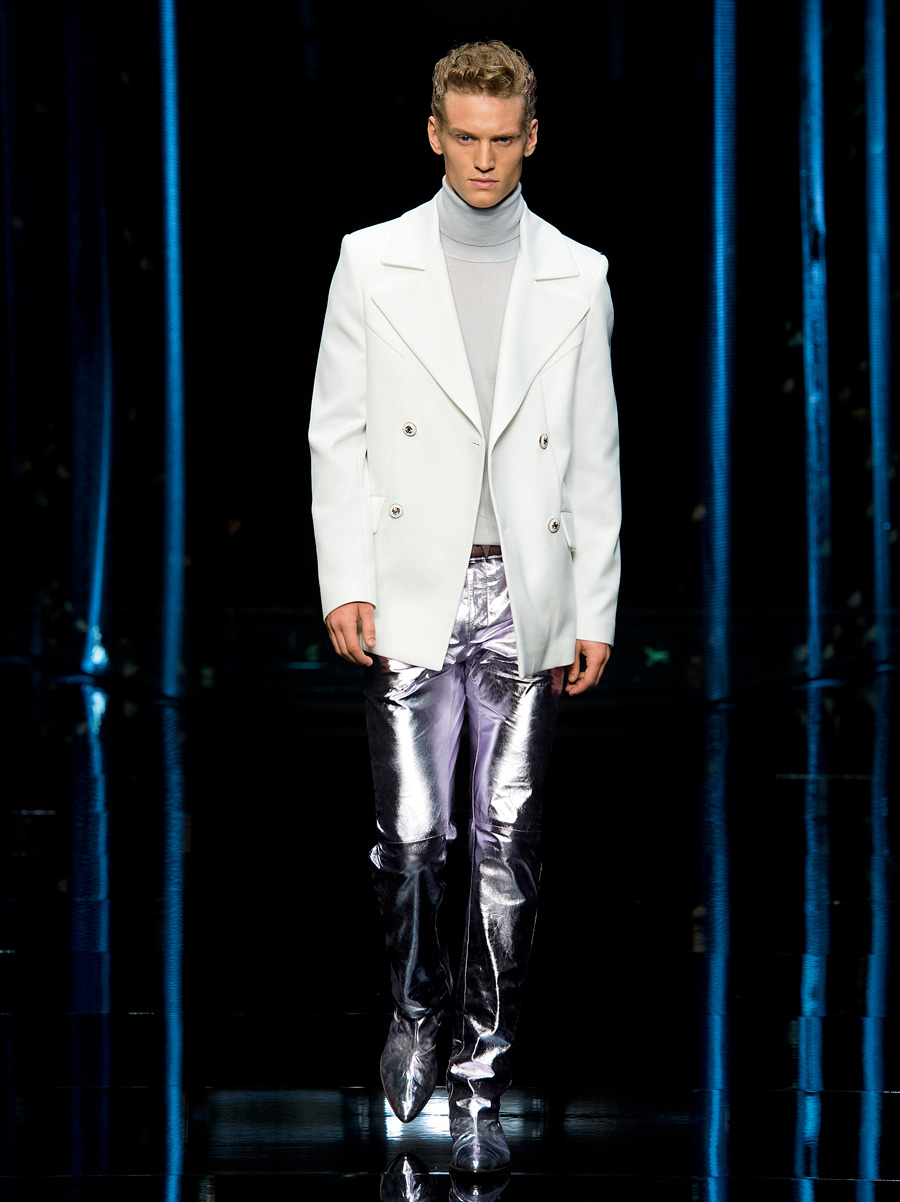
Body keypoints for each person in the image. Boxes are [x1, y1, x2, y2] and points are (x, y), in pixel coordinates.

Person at [309, 40, 621, 1175]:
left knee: (507, 846)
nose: (484, 160)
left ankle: (482, 1074)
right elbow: (338, 427)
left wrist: (595, 603)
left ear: (531, 138)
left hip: (522, 590)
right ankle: (414, 1010)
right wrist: (345, 577)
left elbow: (594, 450)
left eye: (503, 139)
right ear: (434, 134)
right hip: (410, 585)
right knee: (409, 838)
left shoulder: (577, 274)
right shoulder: (371, 260)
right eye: (466, 138)